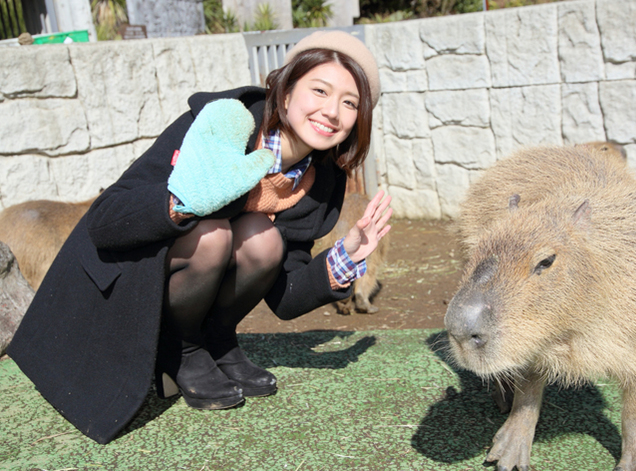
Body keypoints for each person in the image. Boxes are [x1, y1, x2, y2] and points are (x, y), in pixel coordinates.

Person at [7, 30, 391, 444]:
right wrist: (183, 200)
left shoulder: (321, 181)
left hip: (195, 288)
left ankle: (218, 342)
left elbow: (285, 293)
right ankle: (183, 350)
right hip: (127, 283)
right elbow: (105, 219)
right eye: (320, 90)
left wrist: (345, 255)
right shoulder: (221, 123)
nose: (331, 111)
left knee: (265, 239)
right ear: (284, 93)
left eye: (349, 102)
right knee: (211, 235)